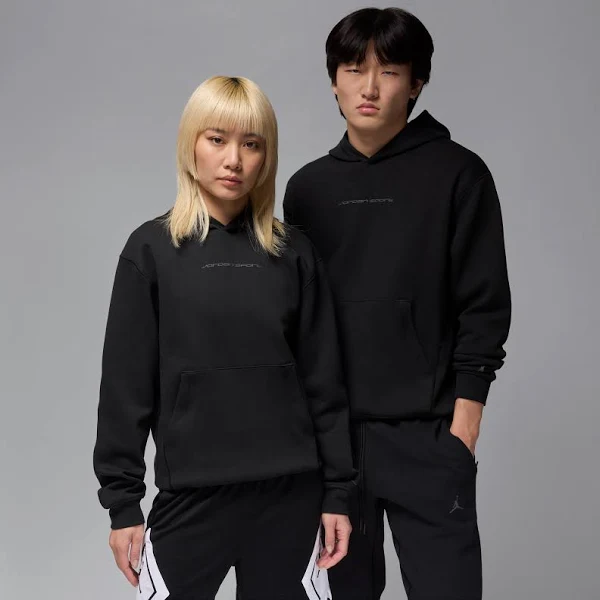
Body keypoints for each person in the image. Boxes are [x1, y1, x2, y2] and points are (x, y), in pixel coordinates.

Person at [93, 75, 355, 600]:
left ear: (266, 156)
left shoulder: (294, 254)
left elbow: (325, 386)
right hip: (191, 500)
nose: (234, 159)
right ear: (191, 144)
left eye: (251, 144)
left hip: (289, 500)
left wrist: (338, 495)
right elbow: (125, 390)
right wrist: (123, 506)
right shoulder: (150, 252)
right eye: (217, 139)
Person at [283, 7, 511, 600]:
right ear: (333, 82)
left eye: (388, 71)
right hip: (332, 447)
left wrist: (463, 427)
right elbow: (301, 320)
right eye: (353, 70)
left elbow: (484, 305)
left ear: (415, 83)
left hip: (429, 435)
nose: (369, 87)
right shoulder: (307, 190)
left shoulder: (460, 174)